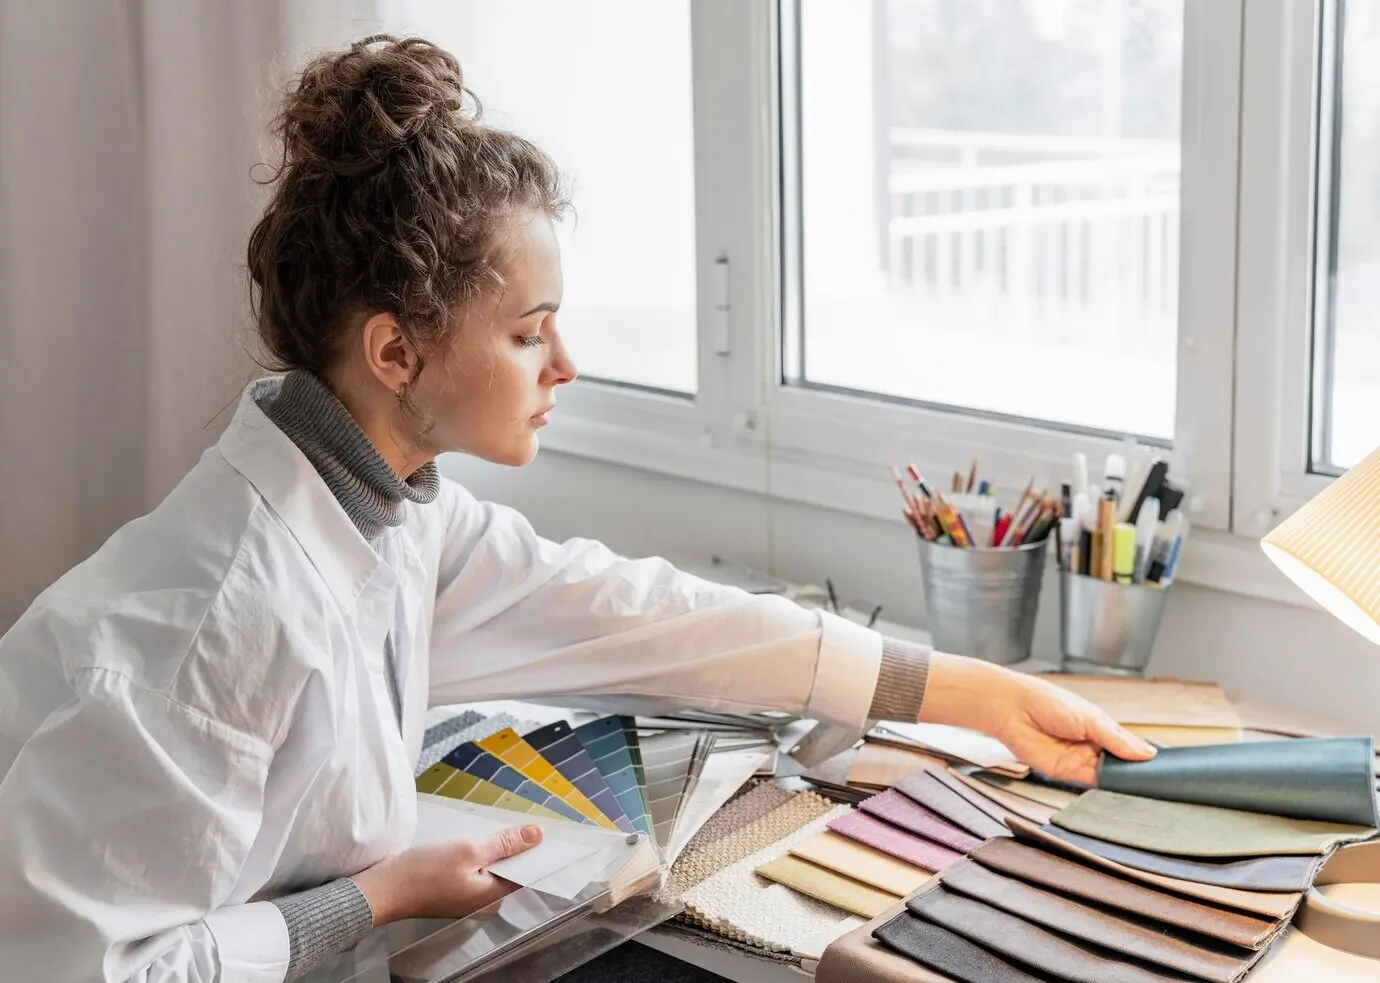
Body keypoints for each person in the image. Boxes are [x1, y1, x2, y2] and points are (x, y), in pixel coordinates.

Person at [0, 35, 1154, 983]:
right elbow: (86, 970)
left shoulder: (392, 515)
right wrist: (371, 899)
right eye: (526, 329)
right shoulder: (209, 624)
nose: (566, 362)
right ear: (396, 350)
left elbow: (638, 614)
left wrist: (966, 689)